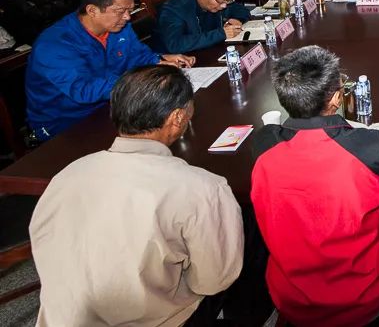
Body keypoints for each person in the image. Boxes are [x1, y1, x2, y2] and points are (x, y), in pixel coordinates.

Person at [29, 65, 244, 326]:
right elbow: (213, 281)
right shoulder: (202, 188)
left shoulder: (65, 176)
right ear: (177, 117)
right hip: (156, 321)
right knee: (249, 232)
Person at [251, 46, 379, 326]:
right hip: (360, 297)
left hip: (293, 297)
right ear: (336, 98)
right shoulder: (367, 149)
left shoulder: (264, 145)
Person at [25, 0, 194, 141]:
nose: (127, 17)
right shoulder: (55, 45)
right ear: (92, 10)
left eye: (130, 10)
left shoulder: (118, 26)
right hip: (66, 122)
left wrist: (158, 61)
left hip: (113, 105)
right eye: (120, 11)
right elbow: (83, 90)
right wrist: (143, 80)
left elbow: (137, 54)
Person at [152, 0, 252, 54]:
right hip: (177, 62)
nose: (224, 6)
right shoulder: (174, 9)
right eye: (221, 1)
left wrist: (237, 20)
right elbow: (175, 44)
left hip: (208, 52)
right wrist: (221, 34)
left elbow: (242, 10)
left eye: (228, 1)